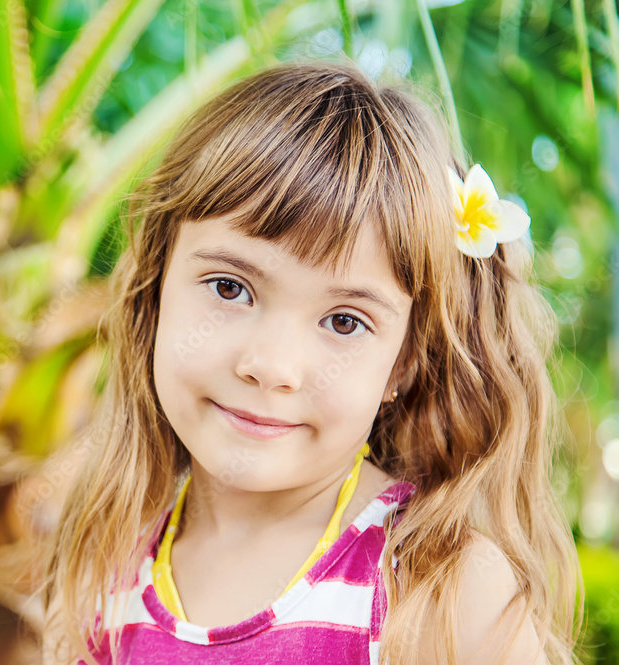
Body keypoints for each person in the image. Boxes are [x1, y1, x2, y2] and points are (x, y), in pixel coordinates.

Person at [37, 59, 582, 665]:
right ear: (156, 286)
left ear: (402, 364)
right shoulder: (105, 572)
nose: (272, 366)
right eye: (228, 287)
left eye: (344, 322)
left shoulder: (440, 594)